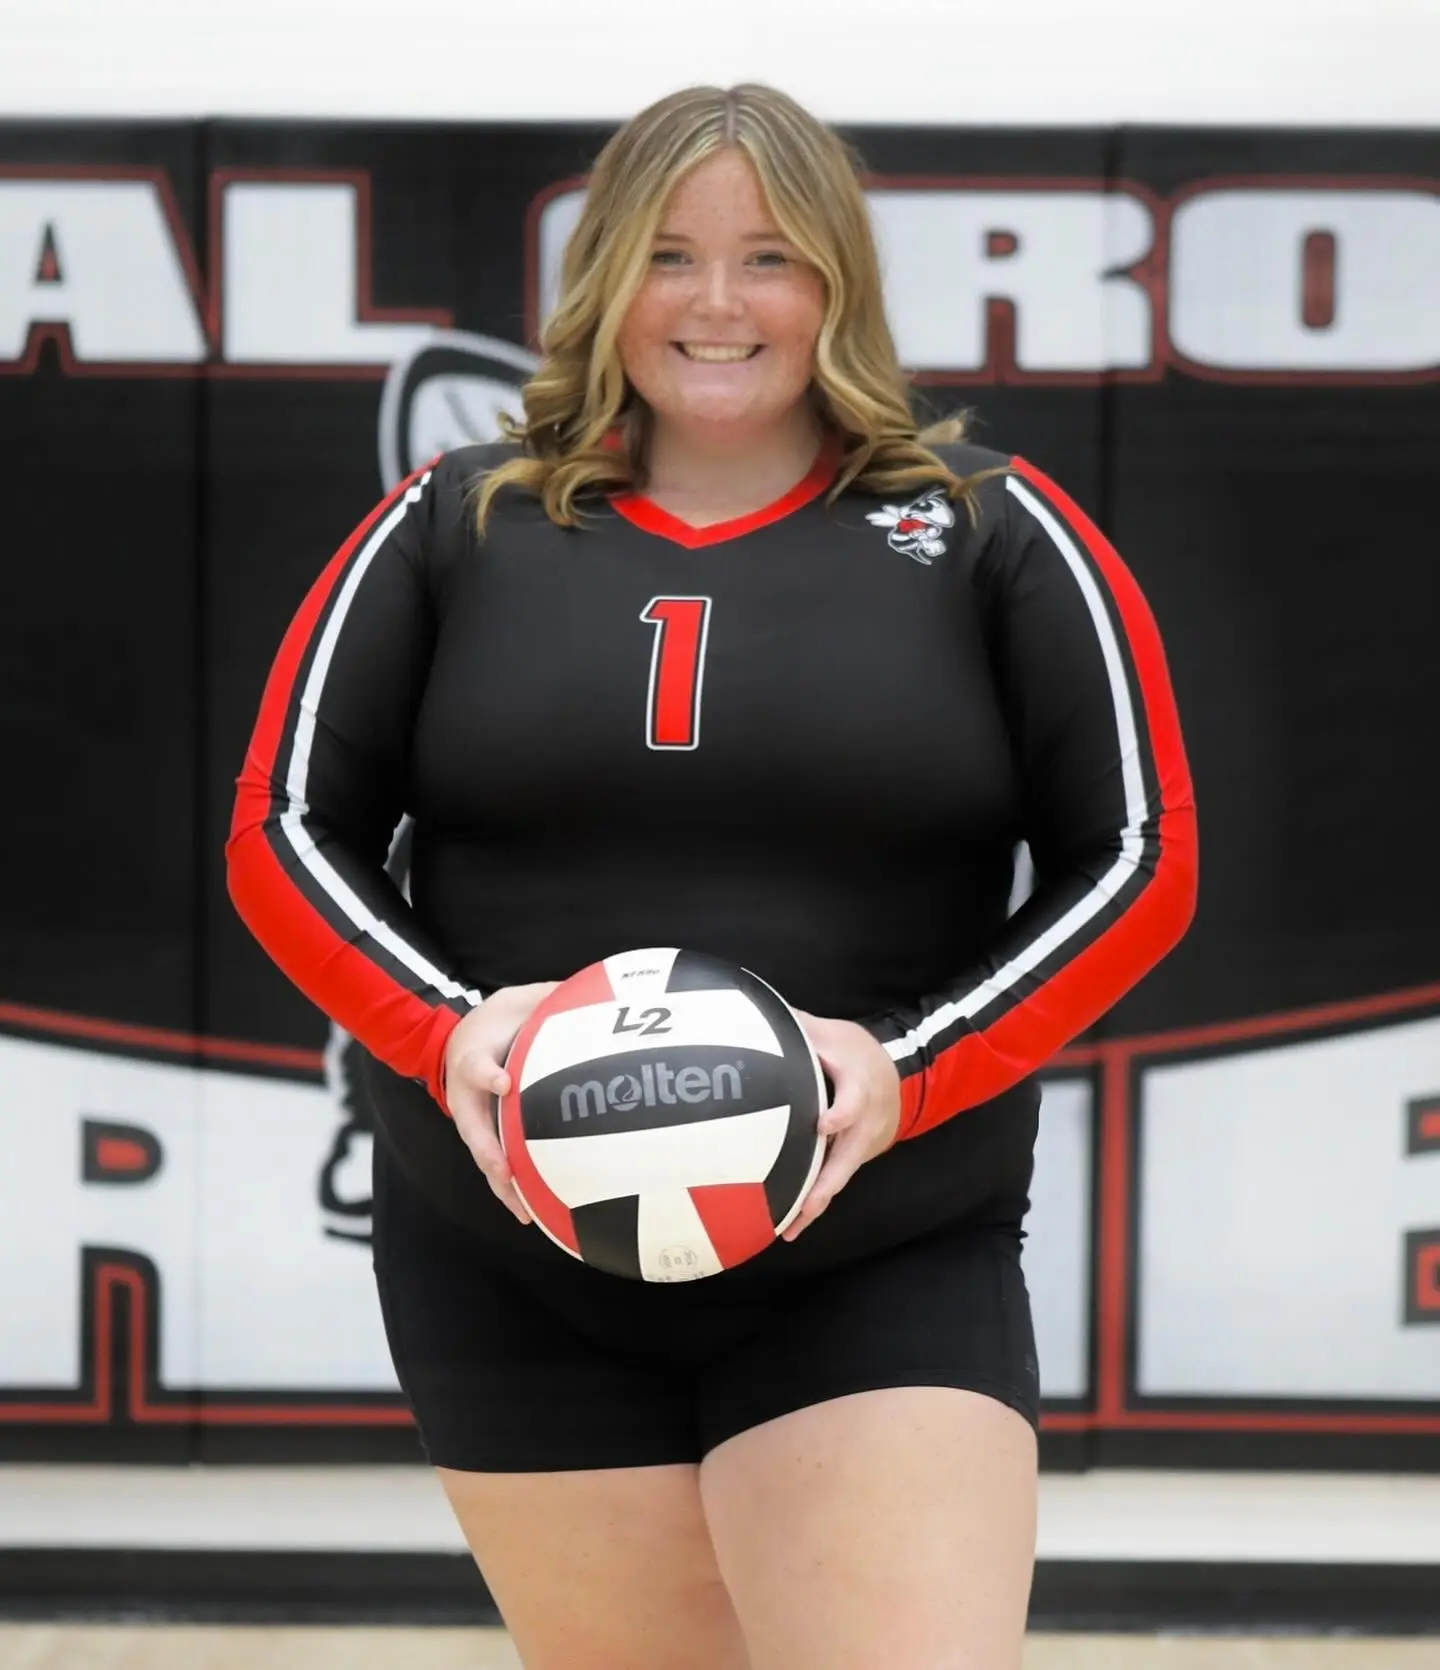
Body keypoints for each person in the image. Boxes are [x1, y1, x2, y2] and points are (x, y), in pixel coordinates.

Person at [226, 82, 1198, 1670]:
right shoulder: (453, 523)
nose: (719, 303)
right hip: (516, 1261)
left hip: (875, 1242)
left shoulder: (989, 532)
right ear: (605, 276)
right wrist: (448, 1028)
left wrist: (909, 1066)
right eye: (671, 256)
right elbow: (282, 826)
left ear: (838, 282)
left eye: (771, 257)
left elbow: (1142, 860)